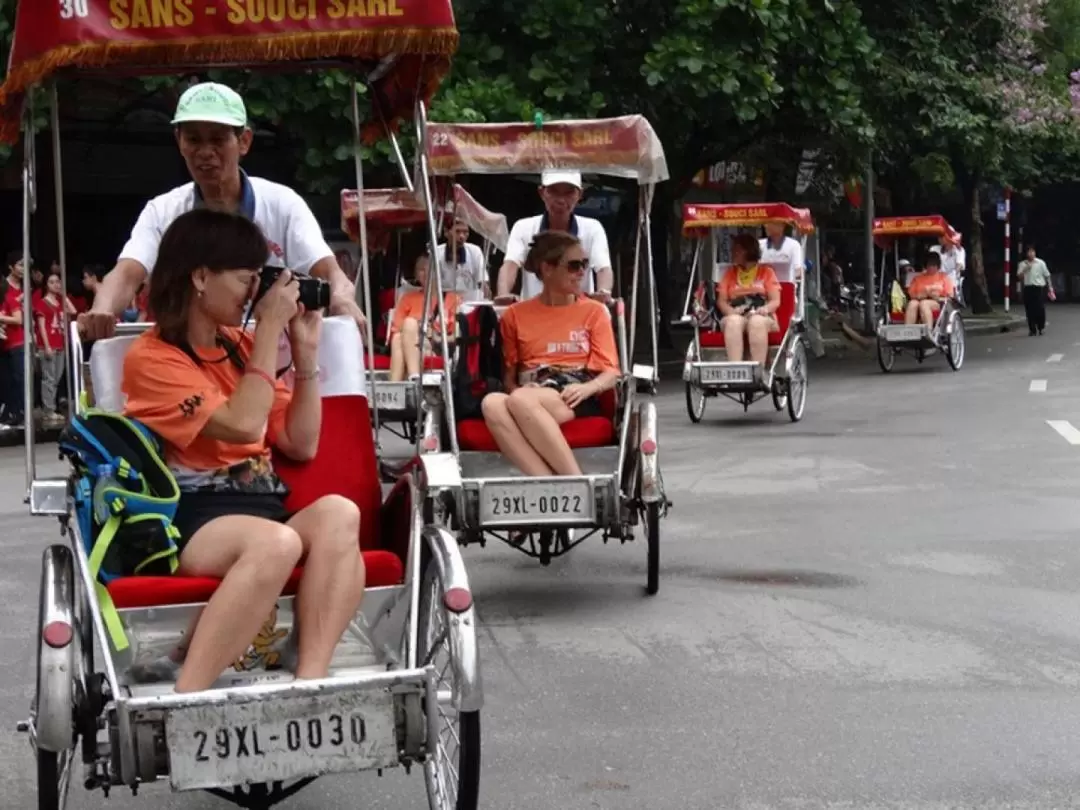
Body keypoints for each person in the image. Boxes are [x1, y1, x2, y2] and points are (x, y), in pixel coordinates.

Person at [120, 208, 366, 693]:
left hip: (264, 510)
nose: (256, 294)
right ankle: (188, 698)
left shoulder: (238, 346)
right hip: (192, 519)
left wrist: (305, 355)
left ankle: (309, 686)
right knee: (277, 543)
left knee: (339, 513)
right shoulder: (151, 358)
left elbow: (300, 441)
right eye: (247, 279)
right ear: (200, 277)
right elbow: (241, 423)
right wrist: (268, 332)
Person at [78, 81, 366, 342]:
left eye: (217, 140)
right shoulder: (162, 211)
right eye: (193, 139)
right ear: (179, 141)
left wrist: (342, 299)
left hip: (272, 357)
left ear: (244, 141)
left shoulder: (283, 204)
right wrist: (102, 309)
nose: (205, 152)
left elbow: (329, 271)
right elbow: (127, 273)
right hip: (189, 362)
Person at [482, 231, 620, 478]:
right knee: (491, 403)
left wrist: (588, 389)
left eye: (585, 265)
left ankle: (574, 479)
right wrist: (519, 390)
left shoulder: (594, 311)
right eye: (574, 266)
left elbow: (611, 371)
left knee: (522, 399)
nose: (582, 272)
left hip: (575, 391)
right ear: (547, 269)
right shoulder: (515, 315)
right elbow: (510, 377)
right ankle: (549, 485)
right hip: (531, 388)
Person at [495, 171, 613, 304]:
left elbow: (603, 268)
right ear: (542, 192)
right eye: (554, 191)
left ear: (579, 194)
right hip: (533, 314)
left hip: (579, 314)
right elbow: (511, 264)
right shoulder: (523, 227)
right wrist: (503, 295)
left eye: (569, 193)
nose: (561, 200)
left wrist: (603, 292)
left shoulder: (593, 228)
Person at [388, 253, 460, 381]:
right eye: (421, 269)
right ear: (416, 275)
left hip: (437, 346)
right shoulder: (407, 299)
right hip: (411, 344)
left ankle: (396, 386)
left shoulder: (452, 299)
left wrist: (435, 337)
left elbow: (458, 336)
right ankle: (413, 377)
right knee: (401, 335)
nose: (426, 273)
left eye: (430, 268)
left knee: (408, 324)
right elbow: (396, 332)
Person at [714, 234, 782, 365]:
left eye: (738, 249)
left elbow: (775, 301)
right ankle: (736, 370)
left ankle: (758, 371)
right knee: (733, 321)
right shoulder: (730, 273)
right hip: (736, 314)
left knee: (756, 322)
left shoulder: (766, 272)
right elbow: (721, 301)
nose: (733, 252)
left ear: (749, 251)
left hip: (762, 315)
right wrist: (731, 312)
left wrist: (764, 309)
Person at [34, 271, 76, 424]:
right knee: (48, 378)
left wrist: (63, 295)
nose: (56, 284)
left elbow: (73, 311)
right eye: (52, 282)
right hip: (49, 344)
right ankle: (48, 410)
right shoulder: (42, 303)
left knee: (56, 378)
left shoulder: (59, 303)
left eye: (57, 281)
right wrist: (46, 346)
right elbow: (42, 326)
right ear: (46, 285)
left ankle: (51, 408)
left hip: (60, 344)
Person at [0, 251, 28, 427]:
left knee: (19, 380)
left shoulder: (11, 298)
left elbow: (19, 320)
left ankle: (18, 414)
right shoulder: (6, 298)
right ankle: (10, 413)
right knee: (10, 381)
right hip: (6, 345)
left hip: (17, 343)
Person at [436, 215, 487, 298]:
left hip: (470, 304)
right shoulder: (436, 253)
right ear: (446, 232)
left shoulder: (475, 251)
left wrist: (485, 293)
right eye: (457, 231)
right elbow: (431, 286)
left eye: (465, 232)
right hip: (444, 303)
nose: (462, 236)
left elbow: (483, 282)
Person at [904, 251, 955, 328]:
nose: (931, 267)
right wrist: (920, 295)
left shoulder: (944, 277)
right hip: (918, 300)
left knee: (924, 304)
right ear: (926, 266)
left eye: (934, 265)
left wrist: (937, 297)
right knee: (912, 304)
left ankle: (929, 330)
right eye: (929, 265)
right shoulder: (918, 278)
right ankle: (908, 331)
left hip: (937, 302)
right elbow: (911, 294)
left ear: (938, 266)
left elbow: (950, 296)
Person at [1017, 244, 1052, 336]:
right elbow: (1019, 277)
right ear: (1026, 253)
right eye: (1029, 252)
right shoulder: (1022, 264)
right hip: (1028, 288)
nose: (1031, 253)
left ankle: (1041, 327)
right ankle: (1032, 329)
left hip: (1038, 288)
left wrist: (1050, 288)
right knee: (1029, 310)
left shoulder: (1040, 263)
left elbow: (1047, 275)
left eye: (1032, 251)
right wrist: (1025, 269)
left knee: (1040, 308)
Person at [930, 232, 966, 303]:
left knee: (952, 276)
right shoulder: (934, 249)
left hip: (950, 279)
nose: (940, 239)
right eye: (939, 237)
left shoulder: (959, 250)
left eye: (942, 237)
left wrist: (954, 273)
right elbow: (929, 263)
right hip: (934, 278)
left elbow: (959, 265)